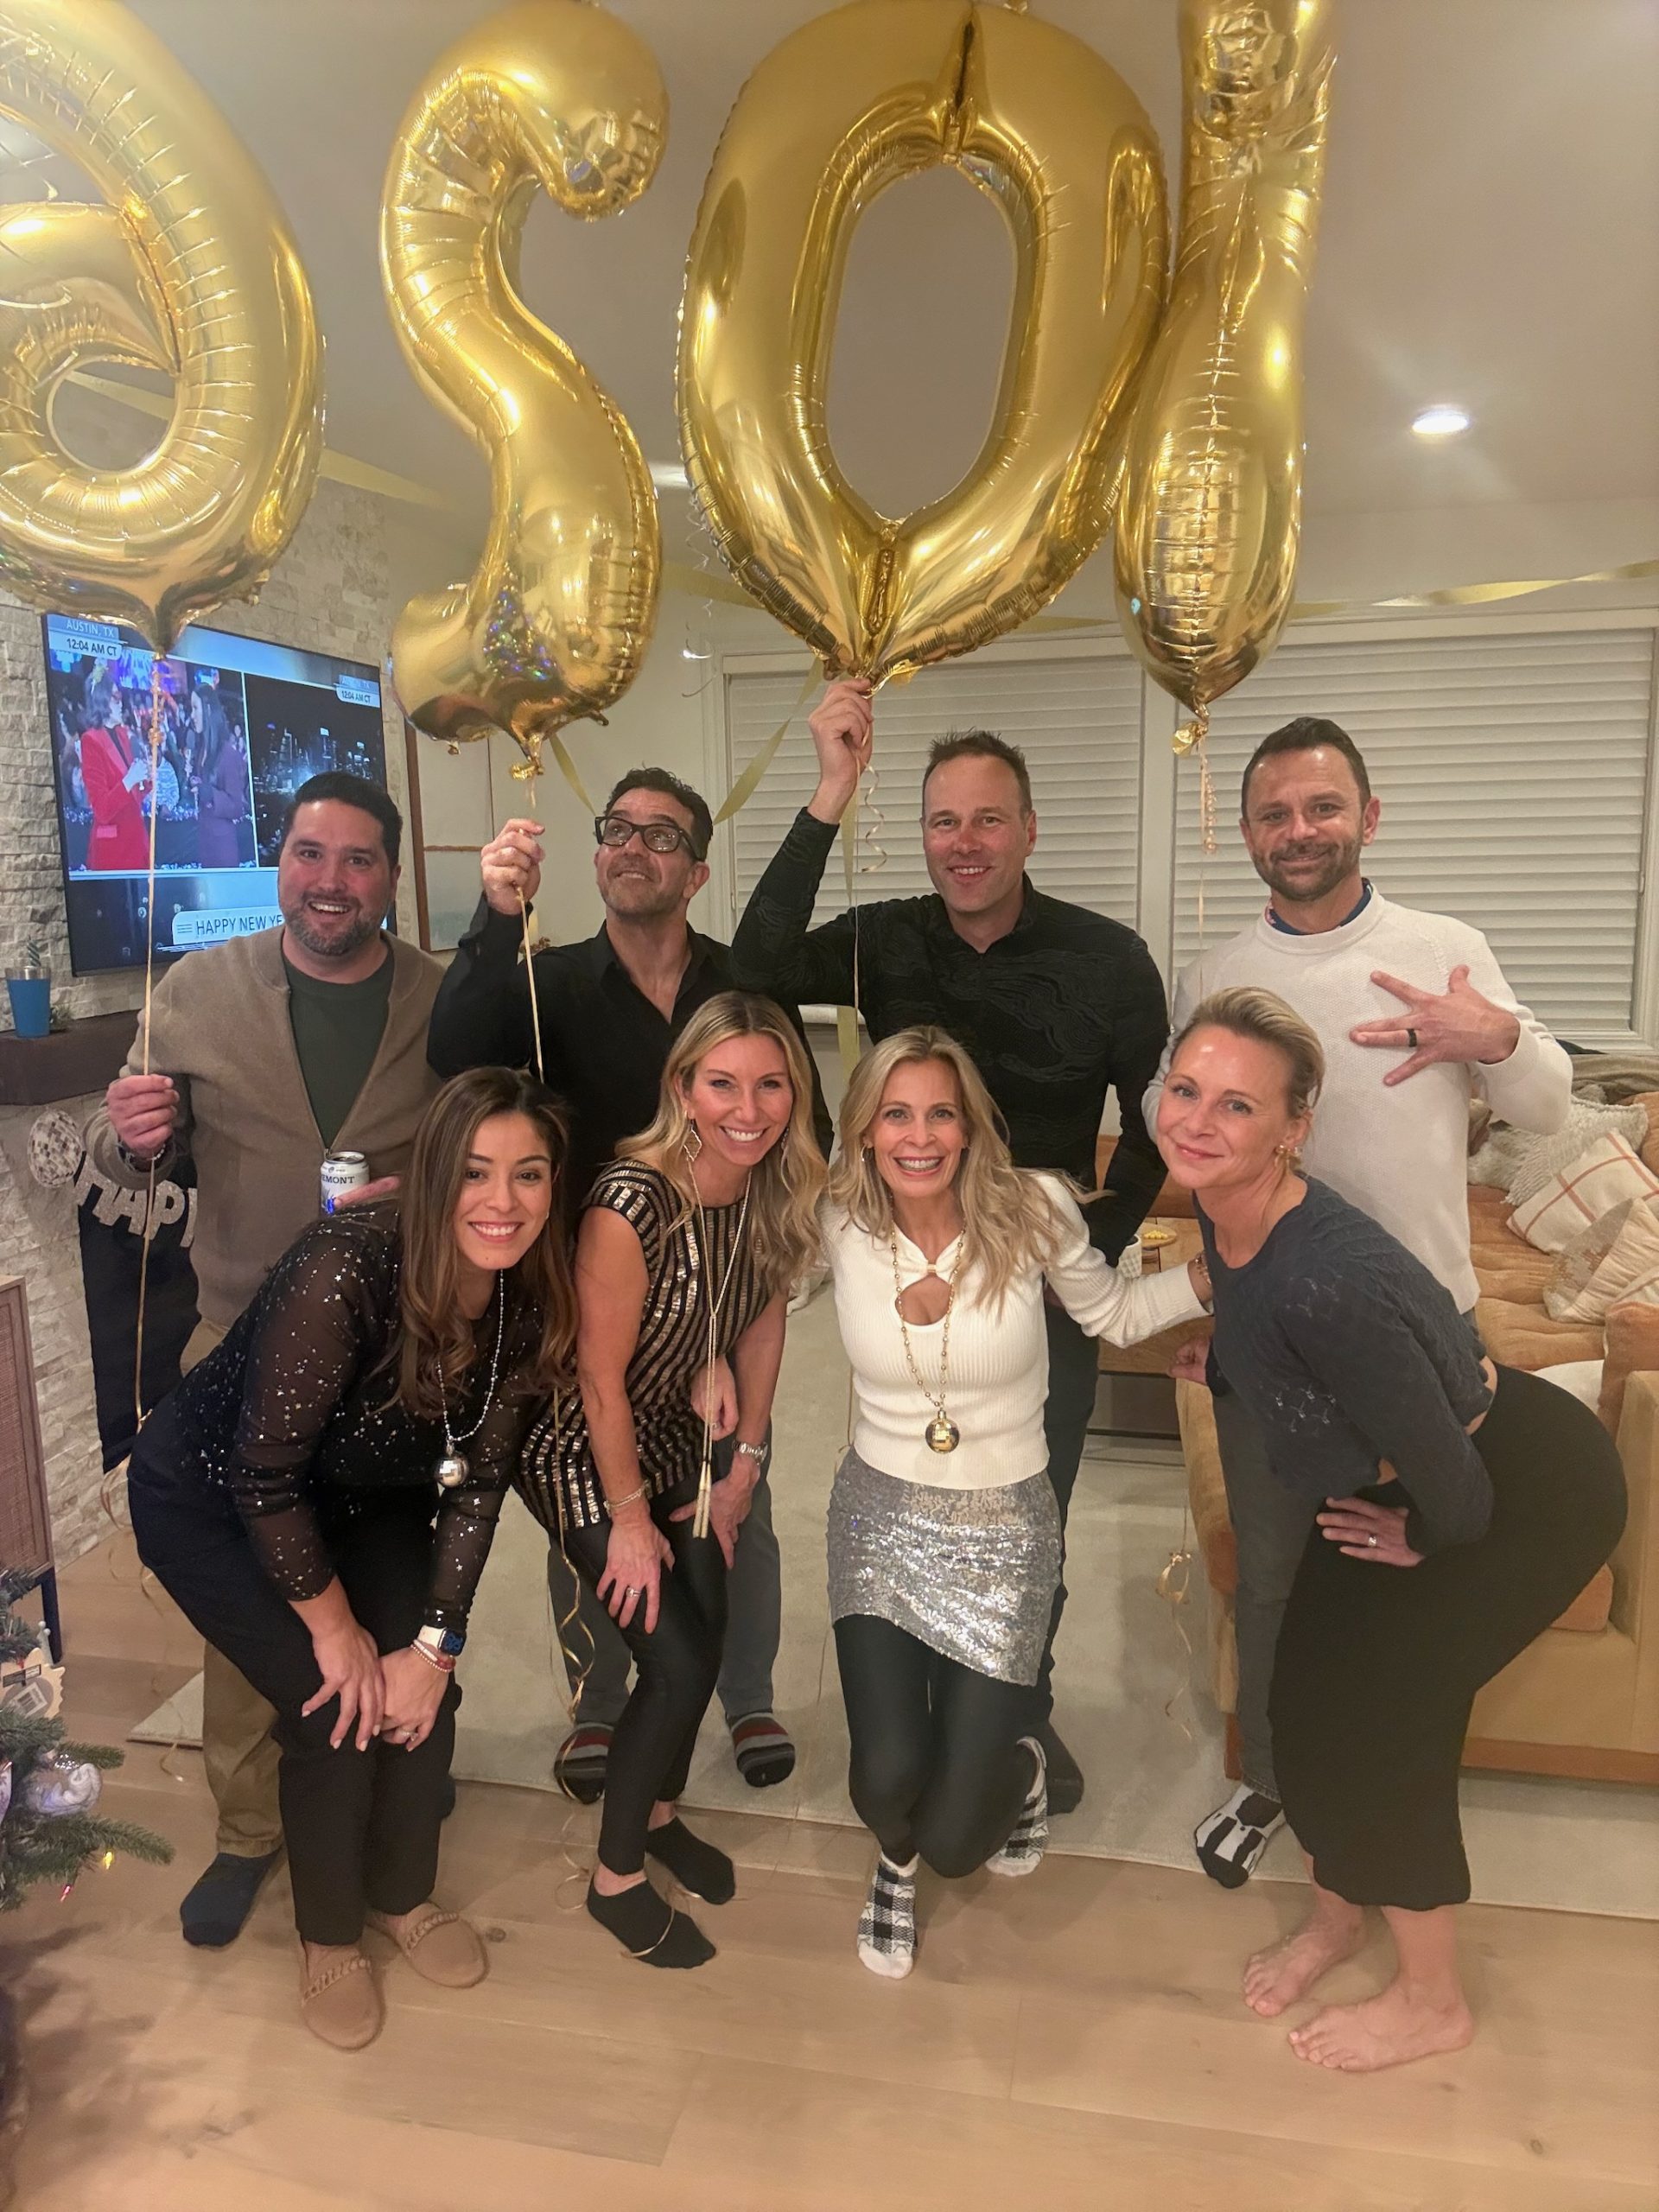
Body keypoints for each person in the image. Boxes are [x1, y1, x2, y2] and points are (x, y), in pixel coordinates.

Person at [1157, 988, 1623, 2071]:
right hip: (1426, 1470)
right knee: (1304, 1702)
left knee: (1384, 1726)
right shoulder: (1227, 1208)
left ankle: (1432, 1999)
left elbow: (1458, 1487)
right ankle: (1337, 1918)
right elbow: (1282, 1338)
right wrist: (1237, 1362)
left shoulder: (1321, 1281)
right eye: (1186, 1090)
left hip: (1519, 1492)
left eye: (1236, 1104)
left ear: (1294, 1129)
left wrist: (1424, 1539)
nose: (1198, 1122)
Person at [1147, 716, 1572, 1885]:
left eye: (1322, 806)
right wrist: (1223, 1312)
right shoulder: (1216, 973)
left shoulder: (1446, 949)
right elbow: (1188, 1140)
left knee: (1420, 1569)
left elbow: (1545, 1109)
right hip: (1278, 1350)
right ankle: (1273, 1776)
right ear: (1246, 833)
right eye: (1274, 813)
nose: (1300, 830)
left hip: (1422, 1342)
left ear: (1368, 817)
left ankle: (1390, 1793)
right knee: (1275, 1576)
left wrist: (1494, 1035)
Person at [731, 682, 1170, 1811]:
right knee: (907, 1496)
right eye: (942, 821)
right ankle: (918, 1699)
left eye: (987, 819)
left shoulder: (1111, 961)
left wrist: (1088, 1250)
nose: (964, 844)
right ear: (922, 834)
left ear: (1029, 830)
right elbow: (754, 967)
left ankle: (1015, 1704)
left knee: (1034, 1514)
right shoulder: (884, 940)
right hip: (905, 1270)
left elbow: (1157, 1126)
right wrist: (831, 789)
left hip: (1041, 1281)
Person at [128, 1070, 578, 2049]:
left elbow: (479, 1485)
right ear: (432, 1176)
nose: (503, 1202)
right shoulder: (345, 1266)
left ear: (555, 1184)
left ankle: (399, 1894)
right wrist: (335, 1630)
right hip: (214, 1499)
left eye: (529, 1174)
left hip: (366, 1488)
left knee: (423, 1689)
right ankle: (328, 1934)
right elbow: (263, 1478)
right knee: (336, 1706)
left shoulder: (533, 1294)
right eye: (475, 1172)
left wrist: (438, 1641)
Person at [84, 771, 442, 1948]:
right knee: (248, 1616)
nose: (330, 881)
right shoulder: (195, 991)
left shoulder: (442, 1000)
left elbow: (490, 1150)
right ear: (277, 863)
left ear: (392, 876)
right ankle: (248, 1830)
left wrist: (427, 1197)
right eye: (308, 854)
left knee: (388, 1590)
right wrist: (129, 1139)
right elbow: (127, 1155)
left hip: (389, 1361)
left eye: (357, 859)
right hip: (235, 1354)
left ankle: (397, 1789)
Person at [429, 768, 830, 1801]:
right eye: (617, 830)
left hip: (715, 1304)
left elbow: (784, 1139)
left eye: (661, 835)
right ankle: (599, 1704)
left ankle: (747, 1694)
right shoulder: (548, 983)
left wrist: (718, 1343)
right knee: (598, 1513)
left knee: (737, 1502)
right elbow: (453, 1054)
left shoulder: (738, 984)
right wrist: (496, 914)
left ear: (696, 871)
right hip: (587, 1308)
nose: (632, 847)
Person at [823, 1028, 1210, 1979]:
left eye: (940, 1113)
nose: (919, 1136)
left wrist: (1225, 1267)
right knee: (883, 1781)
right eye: (896, 1114)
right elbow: (755, 1293)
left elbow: (1113, 1312)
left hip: (1005, 1529)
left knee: (960, 1840)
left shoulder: (1030, 1207)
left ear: (970, 1126)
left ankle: (1023, 1770)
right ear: (865, 1129)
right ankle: (893, 1862)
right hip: (877, 1519)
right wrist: (711, 1372)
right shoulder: (838, 1219)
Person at [512, 992, 825, 1969]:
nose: (749, 1108)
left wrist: (744, 1467)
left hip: (676, 1433)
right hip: (580, 1446)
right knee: (677, 1659)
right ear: (683, 1089)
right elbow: (597, 1379)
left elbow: (760, 1324)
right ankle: (614, 1881)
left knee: (710, 1618)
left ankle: (655, 1813)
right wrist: (630, 1519)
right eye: (723, 1083)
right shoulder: (630, 1201)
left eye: (771, 1084)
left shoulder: (773, 1188)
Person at [77, 673, 151, 871]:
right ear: (102, 700)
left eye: (120, 696)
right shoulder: (90, 740)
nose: (121, 703)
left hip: (136, 842)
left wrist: (146, 779)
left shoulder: (123, 734)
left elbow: (134, 795)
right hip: (113, 851)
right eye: (116, 697)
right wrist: (130, 779)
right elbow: (102, 809)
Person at [193, 684, 252, 868]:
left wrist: (210, 794)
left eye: (195, 708)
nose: (192, 715)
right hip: (205, 842)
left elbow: (237, 807)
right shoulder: (202, 749)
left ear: (208, 709)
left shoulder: (228, 754)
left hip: (222, 850)